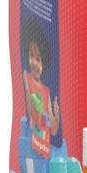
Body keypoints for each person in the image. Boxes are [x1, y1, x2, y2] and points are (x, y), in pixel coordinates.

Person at [21, 16, 60, 158]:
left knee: (44, 162)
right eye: (31, 55)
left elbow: (53, 129)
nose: (34, 62)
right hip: (33, 139)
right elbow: (29, 111)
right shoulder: (27, 78)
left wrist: (56, 116)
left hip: (45, 144)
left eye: (38, 59)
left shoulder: (46, 91)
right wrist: (27, 89)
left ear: (44, 62)